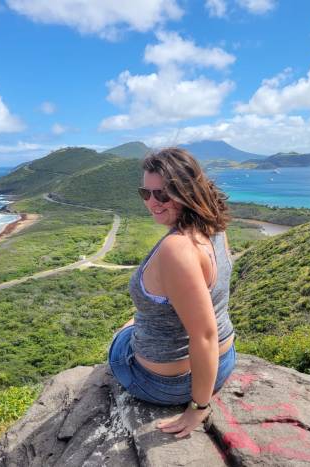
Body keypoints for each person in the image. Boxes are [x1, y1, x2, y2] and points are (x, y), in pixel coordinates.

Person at [108, 147, 236, 438]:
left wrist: (199, 407)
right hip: (224, 360)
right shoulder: (215, 227)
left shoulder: (177, 249)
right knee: (133, 323)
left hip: (166, 384)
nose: (152, 202)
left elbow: (204, 334)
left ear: (186, 191)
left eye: (163, 194)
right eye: (145, 193)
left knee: (120, 338)